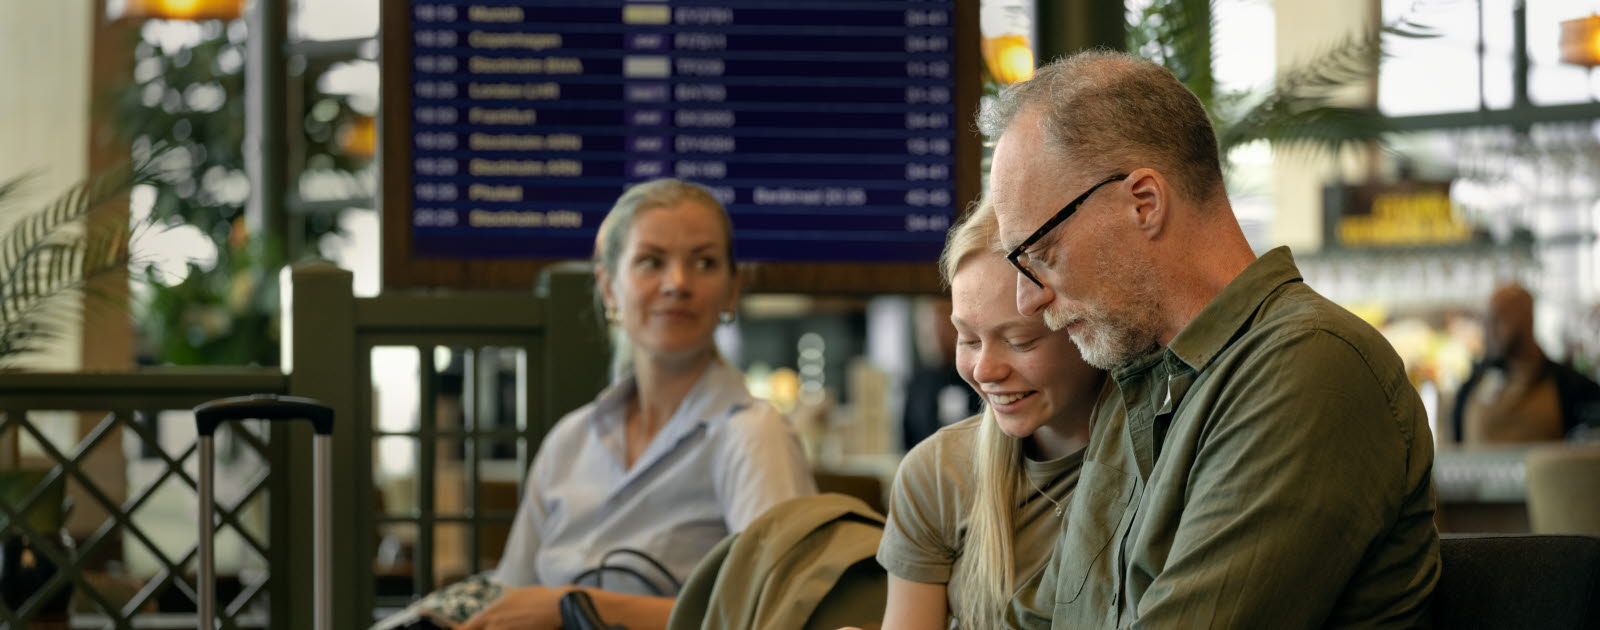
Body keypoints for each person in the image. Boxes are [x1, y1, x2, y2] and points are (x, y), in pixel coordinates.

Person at [982, 50, 1440, 628]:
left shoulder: (1309, 369)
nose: (1029, 299)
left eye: (1042, 255)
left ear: (1143, 202)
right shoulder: (1144, 382)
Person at [460, 179, 817, 630]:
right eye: (651, 262)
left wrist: (578, 608)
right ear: (609, 288)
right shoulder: (570, 440)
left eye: (705, 263)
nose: (678, 283)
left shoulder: (751, 433)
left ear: (732, 290)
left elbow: (778, 613)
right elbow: (512, 598)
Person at [874, 201, 1109, 630]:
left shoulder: (1164, 456)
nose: (984, 371)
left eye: (1019, 341)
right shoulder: (936, 476)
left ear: (1084, 328)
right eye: (967, 339)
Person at [1453, 283, 1600, 443]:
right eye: (1487, 320)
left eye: (1499, 317)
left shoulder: (1571, 387)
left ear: (1526, 318)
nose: (1489, 329)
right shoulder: (1471, 387)